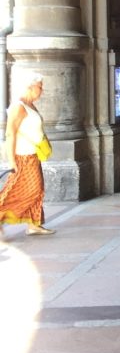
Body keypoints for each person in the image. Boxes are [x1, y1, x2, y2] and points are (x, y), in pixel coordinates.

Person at [0, 71, 55, 237]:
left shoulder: (30, 105)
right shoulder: (19, 107)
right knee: (26, 191)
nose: (42, 90)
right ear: (30, 87)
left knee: (37, 190)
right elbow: (10, 134)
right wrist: (12, 161)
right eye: (40, 87)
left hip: (33, 155)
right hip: (22, 156)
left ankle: (34, 224)